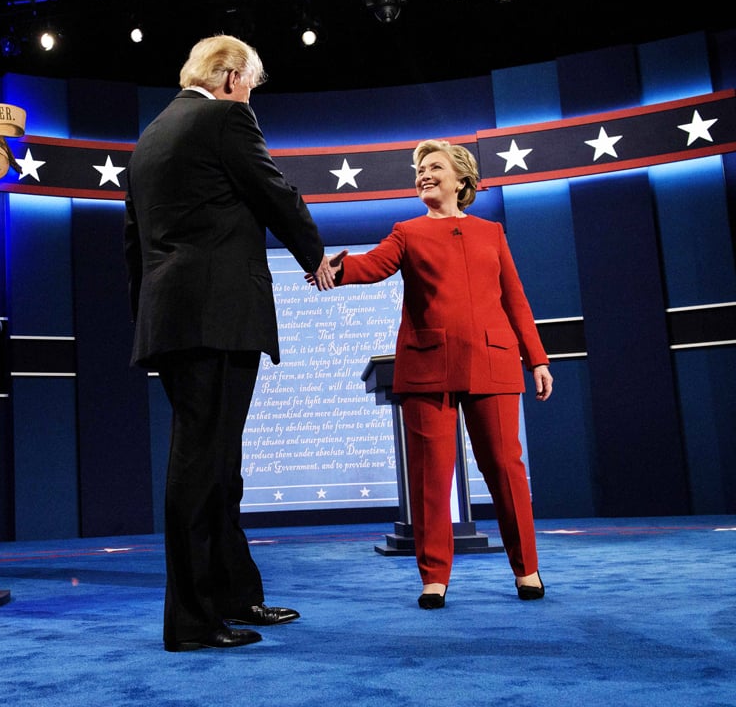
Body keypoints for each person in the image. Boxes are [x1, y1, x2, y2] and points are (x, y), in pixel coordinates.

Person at [124, 35, 338, 651]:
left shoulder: (150, 137)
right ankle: (191, 621)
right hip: (216, 316)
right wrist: (316, 254)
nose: (251, 95)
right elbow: (274, 191)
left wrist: (149, 321)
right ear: (230, 76)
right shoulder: (224, 116)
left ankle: (234, 595)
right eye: (251, 83)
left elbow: (133, 245)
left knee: (218, 464)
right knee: (201, 466)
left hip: (172, 320)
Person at [312, 139, 553, 609]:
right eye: (420, 169)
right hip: (428, 368)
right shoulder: (407, 231)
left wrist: (537, 358)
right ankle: (434, 578)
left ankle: (527, 570)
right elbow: (373, 264)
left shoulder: (492, 233)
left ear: (461, 179)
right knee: (430, 478)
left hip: (493, 362)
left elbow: (515, 300)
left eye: (434, 167)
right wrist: (338, 270)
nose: (424, 174)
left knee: (506, 470)